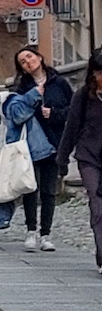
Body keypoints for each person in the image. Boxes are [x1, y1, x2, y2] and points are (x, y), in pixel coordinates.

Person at [3, 48, 72, 253]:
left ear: (39, 58)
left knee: (49, 190)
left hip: (54, 142)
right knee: (30, 188)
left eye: (30, 57)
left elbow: (73, 110)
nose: (28, 62)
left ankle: (46, 234)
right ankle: (31, 231)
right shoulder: (22, 88)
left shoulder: (59, 83)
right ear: (22, 68)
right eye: (23, 61)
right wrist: (32, 98)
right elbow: (15, 114)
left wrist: (54, 114)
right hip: (30, 144)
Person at [57, 48, 102, 273]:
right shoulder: (83, 96)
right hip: (89, 156)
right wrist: (62, 159)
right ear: (93, 73)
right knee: (97, 205)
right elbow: (72, 128)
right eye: (100, 73)